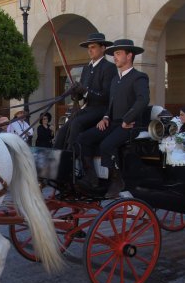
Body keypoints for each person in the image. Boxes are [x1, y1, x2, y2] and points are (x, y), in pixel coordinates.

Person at [77, 39, 150, 198]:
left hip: (131, 125)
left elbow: (143, 100)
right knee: (84, 138)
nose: (114, 57)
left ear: (129, 56)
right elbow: (111, 102)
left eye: (118, 53)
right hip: (113, 123)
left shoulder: (139, 77)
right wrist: (105, 117)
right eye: (114, 54)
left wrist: (128, 118)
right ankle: (92, 178)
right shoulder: (116, 80)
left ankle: (117, 180)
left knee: (106, 145)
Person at [54, 32, 117, 150]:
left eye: (93, 47)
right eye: (89, 48)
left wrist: (86, 91)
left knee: (76, 124)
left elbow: (106, 96)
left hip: (101, 110)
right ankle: (55, 160)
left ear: (103, 48)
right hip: (87, 109)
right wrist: (75, 93)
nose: (90, 50)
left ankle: (72, 158)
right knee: (62, 130)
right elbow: (81, 97)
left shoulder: (109, 67)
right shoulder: (86, 69)